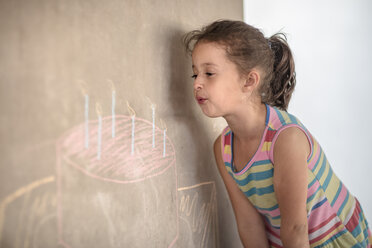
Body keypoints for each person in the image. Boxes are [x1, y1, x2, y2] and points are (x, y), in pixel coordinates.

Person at [183, 19, 372, 248]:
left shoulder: (285, 138)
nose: (197, 84)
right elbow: (249, 223)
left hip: (337, 240)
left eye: (209, 73)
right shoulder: (222, 148)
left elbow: (296, 228)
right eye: (195, 75)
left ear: (249, 81)